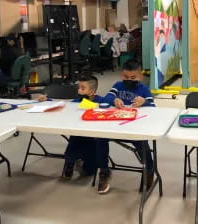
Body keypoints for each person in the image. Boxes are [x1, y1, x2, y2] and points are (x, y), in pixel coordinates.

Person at [96, 59, 155, 194]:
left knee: (141, 143)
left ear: (140, 76)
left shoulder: (144, 89)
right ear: (122, 75)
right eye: (126, 77)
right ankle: (104, 171)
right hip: (115, 124)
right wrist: (114, 100)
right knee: (99, 138)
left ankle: (150, 169)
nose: (129, 80)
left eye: (133, 77)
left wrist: (144, 101)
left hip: (135, 126)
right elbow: (106, 98)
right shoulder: (118, 85)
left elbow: (153, 106)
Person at [61, 75, 106, 180]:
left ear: (91, 92)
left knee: (90, 171)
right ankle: (70, 163)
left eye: (82, 88)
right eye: (79, 88)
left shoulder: (100, 101)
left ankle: (86, 164)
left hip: (93, 136)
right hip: (77, 133)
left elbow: (109, 104)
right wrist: (47, 99)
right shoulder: (77, 101)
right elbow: (64, 106)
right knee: (73, 142)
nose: (79, 91)